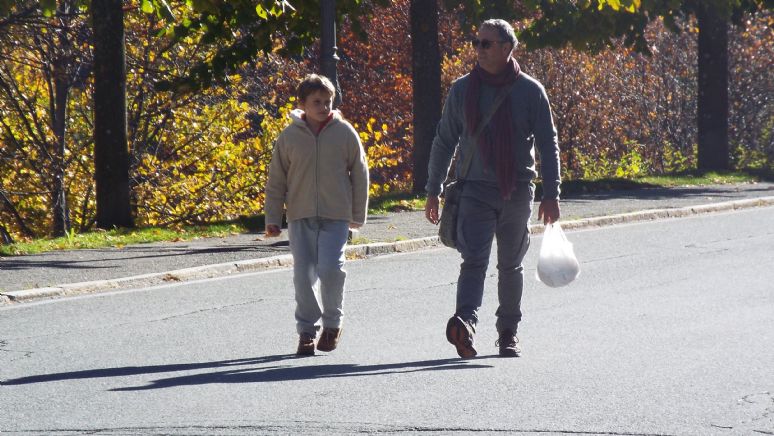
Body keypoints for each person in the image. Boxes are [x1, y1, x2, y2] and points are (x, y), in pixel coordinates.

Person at [424, 19, 561, 358]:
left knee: (511, 265)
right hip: (473, 190)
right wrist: (433, 190)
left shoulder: (530, 91)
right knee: (473, 260)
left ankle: (508, 332)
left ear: (506, 48)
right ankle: (465, 324)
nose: (479, 49)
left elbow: (548, 144)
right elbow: (444, 141)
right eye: (477, 42)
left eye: (486, 43)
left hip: (517, 191)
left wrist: (551, 193)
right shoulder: (462, 90)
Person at [264, 74, 369, 356]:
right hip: (300, 215)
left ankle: (332, 324)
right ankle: (307, 332)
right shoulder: (289, 137)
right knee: (303, 275)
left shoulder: (344, 132)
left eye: (327, 101)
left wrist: (357, 214)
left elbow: (360, 173)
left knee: (331, 270)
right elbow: (277, 180)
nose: (323, 107)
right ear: (303, 104)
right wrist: (273, 218)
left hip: (336, 215)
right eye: (317, 102)